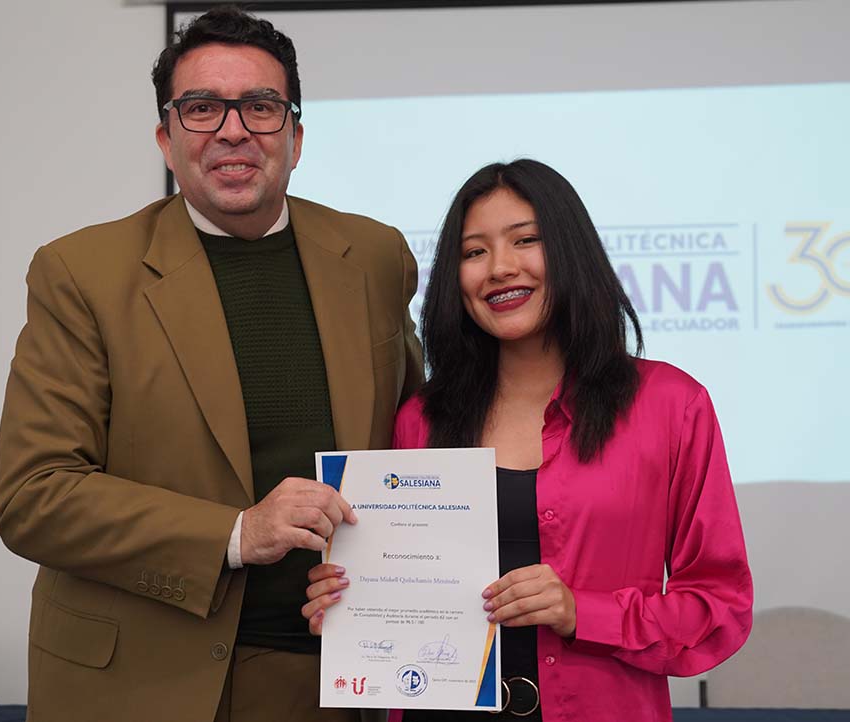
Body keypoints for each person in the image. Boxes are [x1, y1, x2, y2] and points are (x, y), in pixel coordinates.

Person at [0, 6, 422, 722]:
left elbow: (417, 434)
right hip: (138, 683)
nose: (232, 129)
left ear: (295, 135)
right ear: (167, 138)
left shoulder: (373, 257)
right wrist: (235, 533)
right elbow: (32, 496)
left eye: (259, 106)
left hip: (330, 679)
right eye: (201, 108)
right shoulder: (81, 272)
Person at [302, 159, 753, 722]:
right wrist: (353, 603)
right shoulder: (420, 419)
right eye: (474, 252)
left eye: (526, 240)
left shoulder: (671, 405)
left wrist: (579, 611)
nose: (499, 268)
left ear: (570, 252)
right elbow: (398, 587)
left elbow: (719, 607)